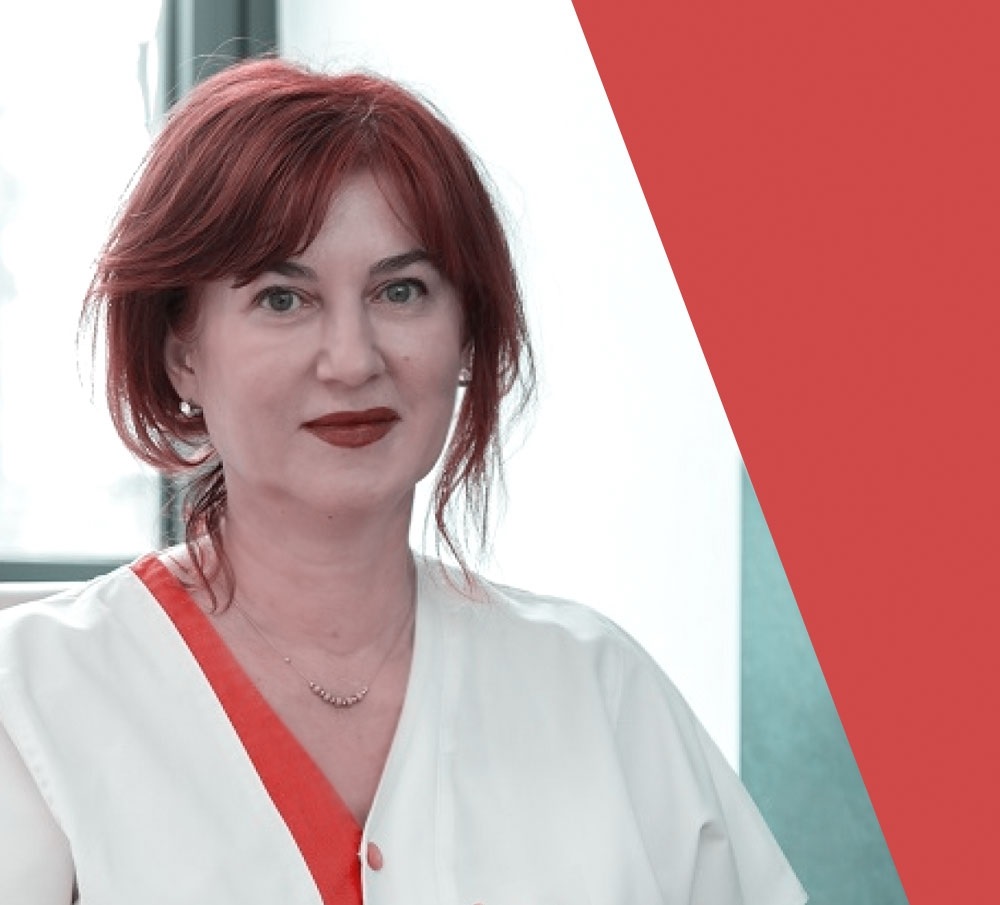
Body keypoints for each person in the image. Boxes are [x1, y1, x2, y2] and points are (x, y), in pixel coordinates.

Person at [0, 58, 807, 904]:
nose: (352, 360)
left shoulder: (599, 692)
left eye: (400, 290)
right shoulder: (35, 704)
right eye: (282, 299)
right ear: (182, 353)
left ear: (465, 335)